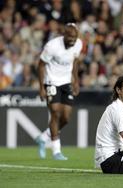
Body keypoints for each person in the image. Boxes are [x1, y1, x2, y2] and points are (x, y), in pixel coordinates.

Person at [35, 23, 82, 160]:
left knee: (66, 118)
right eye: (70, 37)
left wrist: (76, 80)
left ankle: (43, 137)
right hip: (51, 81)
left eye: (75, 37)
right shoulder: (52, 46)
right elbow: (40, 65)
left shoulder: (78, 44)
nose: (73, 40)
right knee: (55, 112)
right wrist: (41, 87)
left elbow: (75, 62)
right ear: (64, 35)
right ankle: (56, 151)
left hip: (66, 82)